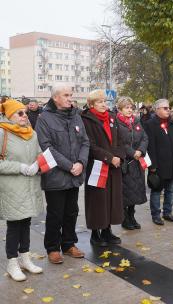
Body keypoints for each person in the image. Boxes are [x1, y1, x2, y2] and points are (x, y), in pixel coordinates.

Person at [35, 85, 90, 264]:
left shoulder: (76, 116)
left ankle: (68, 244)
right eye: (66, 95)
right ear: (55, 98)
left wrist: (81, 163)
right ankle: (52, 248)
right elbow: (46, 147)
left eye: (71, 95)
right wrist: (69, 166)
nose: (70, 98)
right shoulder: (45, 118)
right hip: (56, 176)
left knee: (71, 212)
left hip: (75, 174)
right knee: (55, 213)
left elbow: (85, 142)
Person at [0, 99, 43, 281]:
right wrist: (21, 167)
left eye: (25, 112)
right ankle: (12, 262)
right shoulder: (3, 133)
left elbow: (40, 153)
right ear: (9, 116)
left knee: (26, 223)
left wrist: (37, 164)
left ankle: (25, 258)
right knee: (14, 226)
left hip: (30, 185)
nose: (24, 115)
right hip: (12, 188)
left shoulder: (31, 133)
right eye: (20, 113)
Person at [81, 90, 125, 246]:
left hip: (114, 166)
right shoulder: (86, 119)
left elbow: (119, 140)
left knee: (112, 199)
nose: (103, 104)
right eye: (99, 102)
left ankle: (107, 231)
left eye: (104, 101)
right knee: (97, 200)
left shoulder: (112, 118)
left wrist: (119, 157)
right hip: (97, 165)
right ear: (92, 104)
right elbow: (89, 145)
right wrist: (109, 157)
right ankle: (95, 233)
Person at [145, 99, 173, 225]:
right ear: (157, 110)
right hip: (159, 165)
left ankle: (167, 212)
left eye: (169, 108)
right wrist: (152, 166)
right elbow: (150, 147)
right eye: (165, 108)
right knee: (157, 190)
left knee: (171, 190)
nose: (168, 110)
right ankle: (156, 214)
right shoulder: (150, 124)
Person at [116, 97, 148, 229]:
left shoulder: (137, 121)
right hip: (126, 163)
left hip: (137, 162)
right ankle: (125, 218)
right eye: (126, 107)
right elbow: (120, 142)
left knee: (135, 191)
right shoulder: (117, 122)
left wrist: (140, 150)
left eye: (131, 107)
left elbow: (145, 138)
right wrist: (132, 152)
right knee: (126, 192)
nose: (129, 110)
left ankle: (132, 215)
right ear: (120, 109)